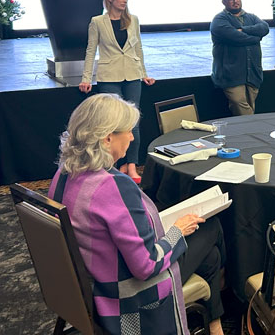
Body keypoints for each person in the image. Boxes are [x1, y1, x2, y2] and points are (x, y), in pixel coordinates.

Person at [49, 94, 226, 335]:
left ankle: (214, 321)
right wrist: (177, 231)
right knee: (211, 226)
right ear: (108, 138)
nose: (132, 138)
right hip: (127, 296)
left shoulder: (63, 174)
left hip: (86, 286)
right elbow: (147, 265)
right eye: (129, 132)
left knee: (210, 257)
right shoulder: (113, 187)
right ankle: (221, 314)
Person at [80, 0, 155, 183]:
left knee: (133, 120)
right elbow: (90, 50)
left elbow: (138, 49)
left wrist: (144, 73)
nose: (124, 0)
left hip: (132, 73)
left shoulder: (133, 20)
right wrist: (86, 77)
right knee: (112, 122)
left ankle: (131, 165)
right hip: (109, 75)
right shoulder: (97, 22)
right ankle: (112, 165)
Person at [211, 0, 270, 115]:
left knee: (249, 106)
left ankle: (246, 133)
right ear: (224, 2)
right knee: (240, 104)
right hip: (231, 74)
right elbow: (235, 37)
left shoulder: (251, 17)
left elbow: (264, 28)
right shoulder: (219, 20)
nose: (235, 1)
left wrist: (243, 30)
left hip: (252, 73)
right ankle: (254, 128)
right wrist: (256, 37)